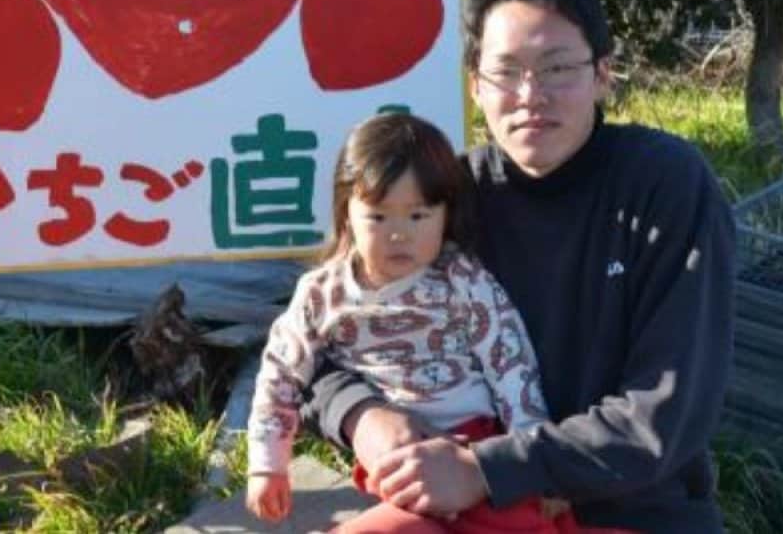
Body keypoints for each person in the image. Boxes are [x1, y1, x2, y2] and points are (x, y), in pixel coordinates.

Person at [303, 0, 737, 534]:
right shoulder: (443, 198)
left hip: (628, 508)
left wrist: (489, 470)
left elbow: (666, 413)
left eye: (557, 68)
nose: (532, 94)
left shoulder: (665, 185)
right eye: (506, 71)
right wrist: (361, 415)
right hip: (467, 504)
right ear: (475, 85)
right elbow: (312, 337)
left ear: (603, 74)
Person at [248, 113, 616, 534]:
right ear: (346, 212)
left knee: (516, 520)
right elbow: (280, 374)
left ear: (445, 214)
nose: (398, 234)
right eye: (378, 216)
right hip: (394, 460)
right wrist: (267, 464)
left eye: (418, 215)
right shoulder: (322, 294)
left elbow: (512, 367)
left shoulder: (463, 281)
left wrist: (532, 465)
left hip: (475, 446)